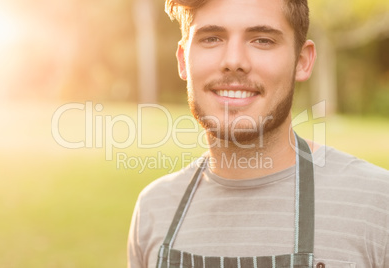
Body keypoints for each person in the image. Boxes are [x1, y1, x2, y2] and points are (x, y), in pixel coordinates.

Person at [128, 0, 389, 267]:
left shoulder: (378, 206)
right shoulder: (154, 210)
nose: (233, 61)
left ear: (302, 61)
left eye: (262, 40)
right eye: (212, 38)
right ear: (184, 60)